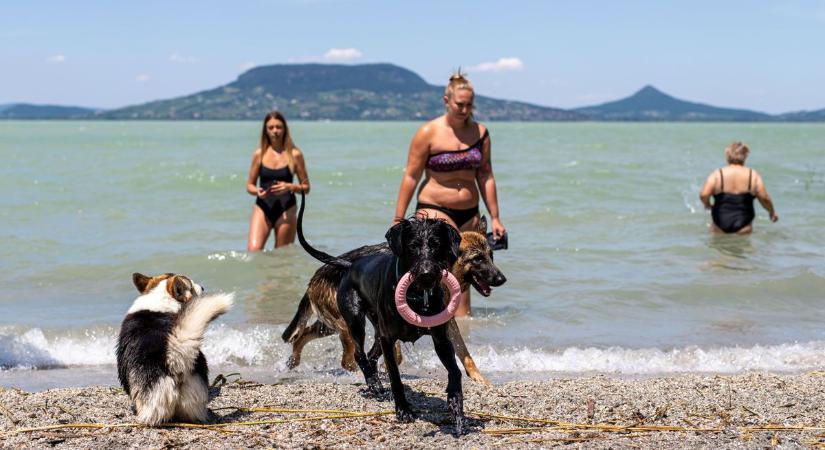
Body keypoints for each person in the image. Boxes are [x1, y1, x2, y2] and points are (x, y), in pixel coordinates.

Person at [393, 71, 506, 316]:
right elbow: (411, 176)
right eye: (459, 104)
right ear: (447, 101)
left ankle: (462, 329)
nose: (465, 110)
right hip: (434, 205)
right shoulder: (428, 133)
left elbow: (485, 175)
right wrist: (398, 216)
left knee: (465, 278)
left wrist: (495, 217)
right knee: (443, 270)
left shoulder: (480, 133)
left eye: (469, 105)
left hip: (469, 211)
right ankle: (427, 318)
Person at [246, 111, 310, 250]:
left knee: (281, 255)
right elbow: (249, 185)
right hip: (263, 206)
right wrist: (257, 190)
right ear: (266, 130)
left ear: (284, 129)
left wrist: (290, 186)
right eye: (271, 127)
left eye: (278, 127)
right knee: (253, 250)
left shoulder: (295, 154)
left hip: (287, 207)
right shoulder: (259, 154)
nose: (275, 131)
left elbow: (306, 187)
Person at [699, 141, 778, 234]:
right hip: (744, 225)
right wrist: (772, 212)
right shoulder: (753, 175)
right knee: (743, 247)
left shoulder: (717, 174)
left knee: (718, 247)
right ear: (745, 156)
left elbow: (704, 194)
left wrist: (707, 205)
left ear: (727, 155)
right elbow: (765, 198)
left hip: (719, 223)